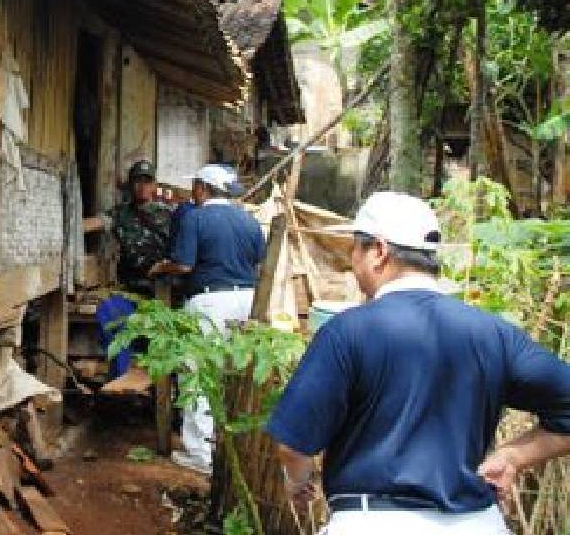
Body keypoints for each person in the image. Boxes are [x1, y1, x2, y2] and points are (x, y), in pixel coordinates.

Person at [266, 191, 570, 534]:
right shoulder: (495, 333)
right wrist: (513, 456)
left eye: (355, 248)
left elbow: (293, 445)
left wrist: (298, 481)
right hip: (476, 524)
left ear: (378, 252)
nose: (352, 263)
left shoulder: (347, 332)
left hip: (371, 522)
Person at [154, 163, 265, 474]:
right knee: (233, 375)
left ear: (203, 188)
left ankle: (201, 454)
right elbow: (260, 264)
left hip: (209, 301)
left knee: (199, 375)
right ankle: (230, 450)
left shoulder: (196, 218)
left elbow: (185, 265)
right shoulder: (250, 221)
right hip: (247, 300)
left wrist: (163, 268)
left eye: (194, 188)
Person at [96, 159, 176, 394]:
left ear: (154, 184)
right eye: (137, 181)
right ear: (130, 185)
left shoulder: (170, 215)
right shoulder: (120, 215)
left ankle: (166, 393)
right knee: (108, 314)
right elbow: (99, 223)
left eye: (147, 181)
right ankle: (121, 382)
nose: (142, 186)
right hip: (131, 293)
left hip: (163, 295)